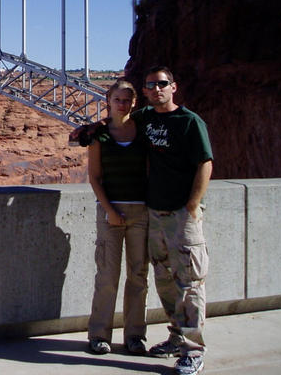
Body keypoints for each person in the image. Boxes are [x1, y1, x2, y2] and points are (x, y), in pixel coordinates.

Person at [135, 66, 213, 375]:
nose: (157, 89)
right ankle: (177, 337)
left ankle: (194, 351)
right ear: (145, 91)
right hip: (156, 212)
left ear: (174, 87)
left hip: (182, 215)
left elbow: (205, 163)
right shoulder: (145, 118)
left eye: (163, 84)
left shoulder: (190, 122)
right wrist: (87, 132)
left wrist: (192, 205)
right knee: (165, 279)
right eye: (151, 85)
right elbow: (117, 125)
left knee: (190, 283)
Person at [86, 79, 149, 356]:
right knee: (108, 276)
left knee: (138, 276)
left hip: (141, 212)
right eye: (117, 99)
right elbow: (94, 177)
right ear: (108, 101)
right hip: (111, 213)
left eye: (127, 100)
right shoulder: (99, 134)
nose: (122, 104)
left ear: (134, 103)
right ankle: (99, 334)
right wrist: (110, 210)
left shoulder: (144, 131)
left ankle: (135, 335)